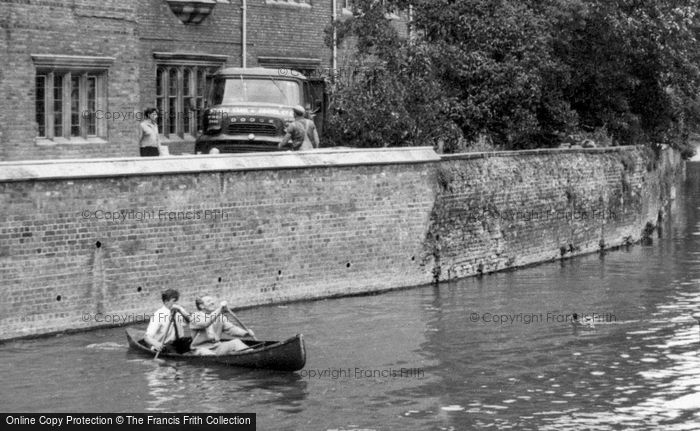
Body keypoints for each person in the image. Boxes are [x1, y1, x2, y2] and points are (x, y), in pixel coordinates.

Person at [189, 295, 255, 355]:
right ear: (201, 306)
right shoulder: (195, 317)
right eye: (209, 301)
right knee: (207, 354)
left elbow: (231, 329)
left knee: (236, 342)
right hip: (200, 348)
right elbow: (206, 323)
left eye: (212, 301)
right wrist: (220, 308)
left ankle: (254, 355)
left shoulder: (219, 317)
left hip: (217, 346)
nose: (212, 303)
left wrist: (246, 333)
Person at [144, 288, 190, 353]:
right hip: (165, 345)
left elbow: (190, 321)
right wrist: (156, 343)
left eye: (177, 301)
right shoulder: (158, 315)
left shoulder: (179, 309)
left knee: (191, 342)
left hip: (179, 342)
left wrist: (181, 312)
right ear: (166, 301)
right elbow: (147, 337)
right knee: (172, 352)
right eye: (174, 301)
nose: (176, 304)